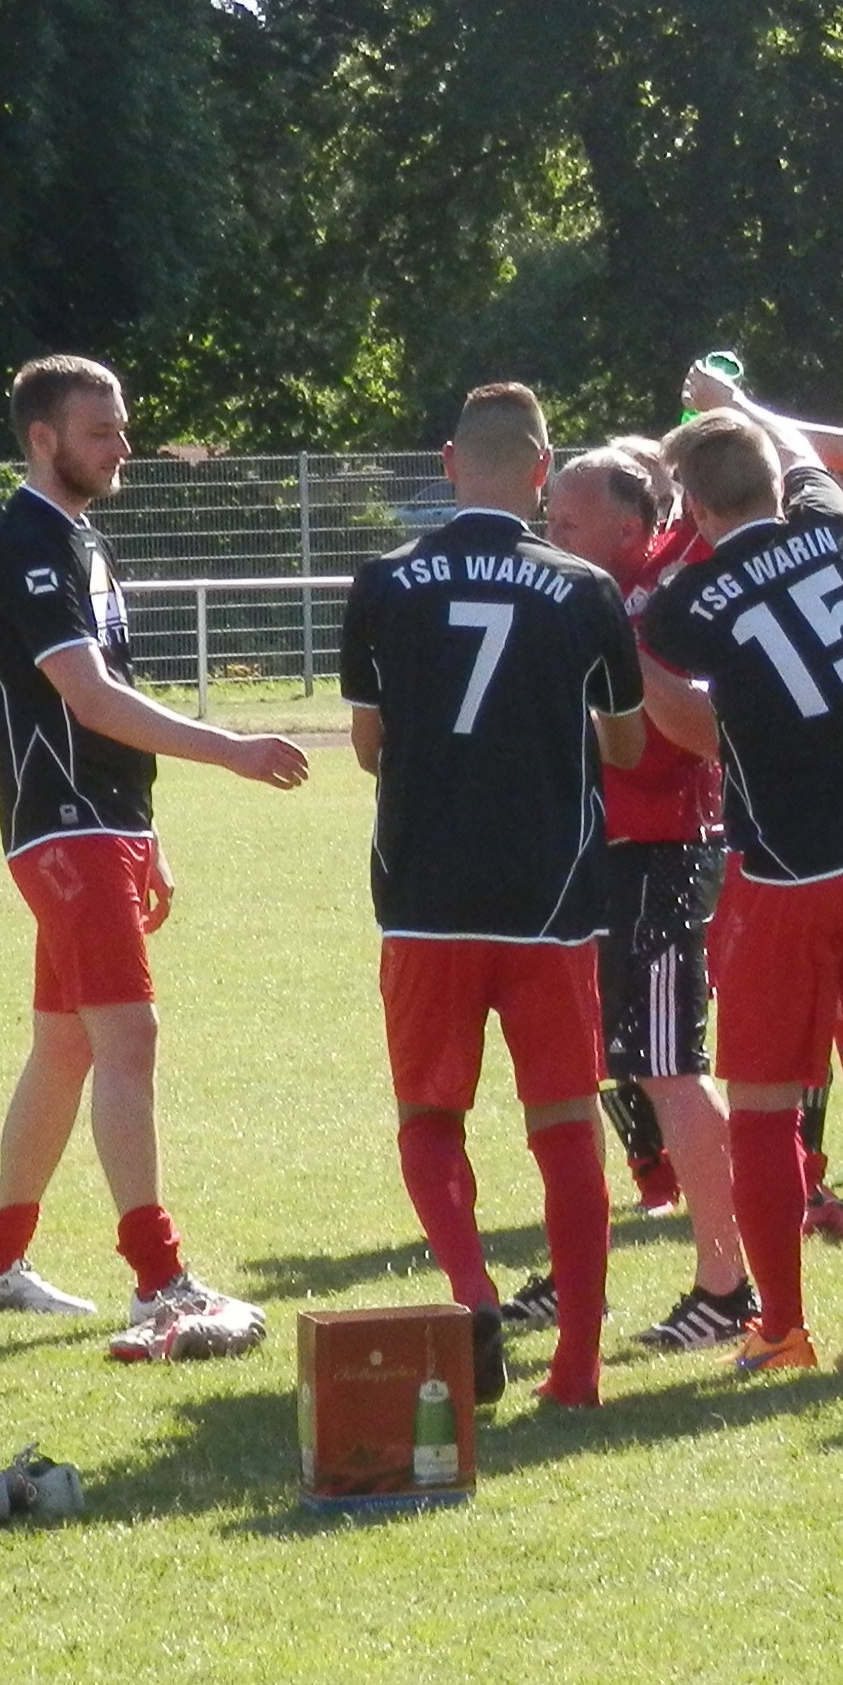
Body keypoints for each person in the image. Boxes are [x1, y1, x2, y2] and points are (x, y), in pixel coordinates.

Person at [0, 355, 310, 1340]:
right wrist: (229, 750)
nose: (123, 445)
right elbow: (91, 698)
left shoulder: (76, 541)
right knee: (128, 1041)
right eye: (101, 430)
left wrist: (144, 830)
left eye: (121, 426)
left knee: (67, 1045)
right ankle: (161, 1281)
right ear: (42, 439)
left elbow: (101, 713)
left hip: (95, 826)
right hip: (64, 831)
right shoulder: (28, 545)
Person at [635, 375, 843, 1376]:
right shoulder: (827, 526)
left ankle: (780, 1326)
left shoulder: (687, 598)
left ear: (690, 505)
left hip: (791, 872)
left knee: (767, 1103)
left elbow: (672, 711)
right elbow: (805, 455)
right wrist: (733, 397)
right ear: (777, 477)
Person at [341, 384, 649, 1408]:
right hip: (548, 896)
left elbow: (368, 748)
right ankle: (576, 1370)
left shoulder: (383, 583)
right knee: (563, 1121)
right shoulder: (584, 589)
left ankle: (471, 1291)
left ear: (445, 462)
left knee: (429, 1114)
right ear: (540, 470)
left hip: (424, 892)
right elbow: (627, 743)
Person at [539, 438, 756, 1347]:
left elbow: (678, 732)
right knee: (581, 1067)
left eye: (566, 522)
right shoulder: (589, 592)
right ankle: (573, 1270)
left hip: (665, 855)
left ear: (631, 529)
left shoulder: (673, 584)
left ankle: (727, 1284)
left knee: (669, 1067)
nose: (548, 535)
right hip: (601, 856)